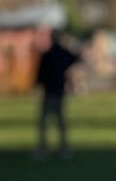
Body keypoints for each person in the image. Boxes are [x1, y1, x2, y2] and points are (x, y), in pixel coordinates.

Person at [33, 29, 80, 157]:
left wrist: (37, 85)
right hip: (58, 90)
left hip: (49, 90)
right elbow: (76, 57)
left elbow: (40, 73)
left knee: (44, 121)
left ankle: (43, 148)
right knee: (59, 121)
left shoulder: (48, 54)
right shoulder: (62, 53)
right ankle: (63, 148)